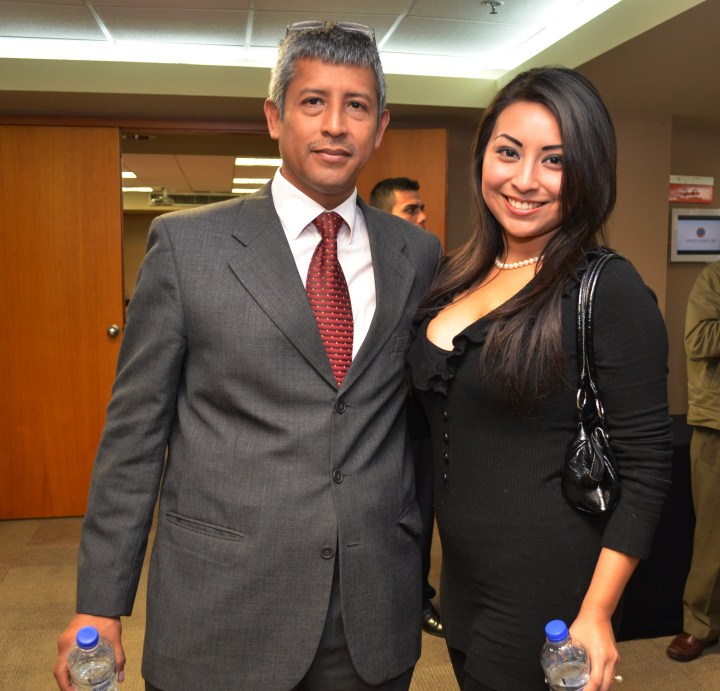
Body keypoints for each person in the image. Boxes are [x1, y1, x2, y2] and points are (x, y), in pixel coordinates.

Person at [53, 20, 441, 691]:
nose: (335, 125)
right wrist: (100, 602)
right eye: (313, 101)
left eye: (356, 105)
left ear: (380, 127)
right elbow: (134, 437)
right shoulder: (187, 247)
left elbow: (419, 420)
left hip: (370, 608)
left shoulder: (417, 253)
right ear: (274, 116)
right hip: (223, 606)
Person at [406, 66, 672, 690]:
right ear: (483, 157)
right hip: (463, 579)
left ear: (589, 171)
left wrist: (597, 612)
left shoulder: (606, 288)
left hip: (549, 590)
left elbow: (648, 468)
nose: (525, 180)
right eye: (508, 152)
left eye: (555, 160)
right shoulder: (453, 275)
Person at [370, 176, 443, 638]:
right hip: (374, 416)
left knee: (420, 510)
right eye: (410, 210)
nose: (422, 217)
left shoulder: (431, 262)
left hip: (420, 415)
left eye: (421, 208)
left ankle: (417, 599)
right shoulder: (362, 267)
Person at [666, 261, 720, 662]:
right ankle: (700, 624)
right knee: (712, 536)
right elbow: (699, 340)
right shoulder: (714, 277)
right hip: (717, 426)